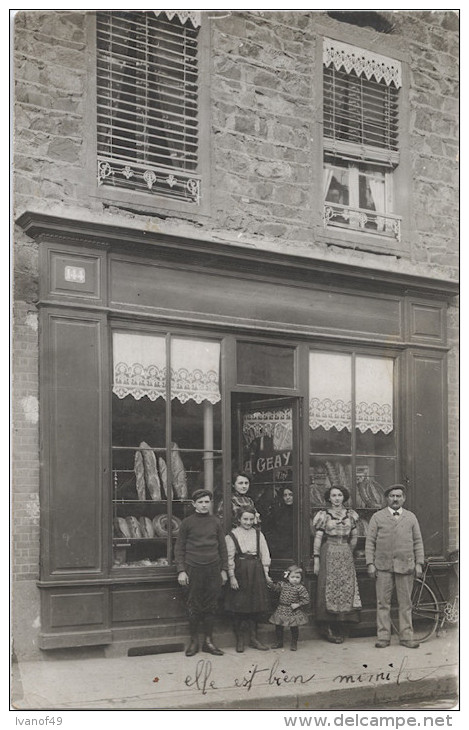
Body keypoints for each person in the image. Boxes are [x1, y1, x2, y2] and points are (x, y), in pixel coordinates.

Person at [365, 484, 424, 649]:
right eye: (392, 496)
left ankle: (406, 637)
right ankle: (383, 637)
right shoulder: (377, 517)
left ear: (403, 498)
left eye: (398, 496)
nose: (395, 499)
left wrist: (419, 563)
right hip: (383, 566)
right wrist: (370, 563)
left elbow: (418, 541)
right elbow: (370, 542)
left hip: (406, 566)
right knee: (383, 603)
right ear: (387, 498)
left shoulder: (411, 517)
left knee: (406, 604)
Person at [174, 489, 228, 657]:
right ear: (194, 504)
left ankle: (208, 642)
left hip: (213, 569)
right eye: (201, 502)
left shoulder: (216, 522)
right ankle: (194, 642)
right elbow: (179, 548)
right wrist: (181, 570)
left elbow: (223, 548)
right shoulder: (187, 523)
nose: (204, 505)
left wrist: (224, 570)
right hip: (193, 569)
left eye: (207, 502)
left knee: (211, 606)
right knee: (193, 606)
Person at [312, 486, 361, 643]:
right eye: (334, 495)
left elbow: (354, 536)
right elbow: (318, 538)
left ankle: (342, 624)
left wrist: (349, 549)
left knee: (345, 585)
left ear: (344, 497)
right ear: (329, 498)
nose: (337, 498)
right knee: (328, 586)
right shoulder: (323, 515)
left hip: (345, 551)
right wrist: (316, 558)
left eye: (340, 495)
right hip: (329, 550)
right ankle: (327, 627)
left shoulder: (351, 515)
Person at [225, 506, 273, 652]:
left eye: (251, 519)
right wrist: (232, 577)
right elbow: (229, 558)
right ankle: (240, 639)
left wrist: (265, 573)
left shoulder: (259, 534)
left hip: (256, 570)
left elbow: (265, 554)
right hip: (240, 570)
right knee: (240, 605)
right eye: (245, 519)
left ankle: (253, 638)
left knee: (255, 606)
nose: (248, 522)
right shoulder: (232, 536)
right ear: (238, 519)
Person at [268, 564, 310, 651]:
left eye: (297, 577)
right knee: (279, 626)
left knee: (294, 627)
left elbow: (306, 599)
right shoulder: (283, 585)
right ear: (287, 577)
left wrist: (298, 604)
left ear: (301, 578)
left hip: (292, 610)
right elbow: (276, 588)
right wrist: (270, 583)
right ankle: (279, 642)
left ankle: (294, 642)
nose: (295, 579)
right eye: (293, 577)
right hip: (282, 609)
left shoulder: (300, 588)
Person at [266, 486, 294, 559]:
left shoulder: (299, 511)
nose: (288, 497)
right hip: (283, 549)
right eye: (285, 495)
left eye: (290, 495)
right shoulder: (279, 512)